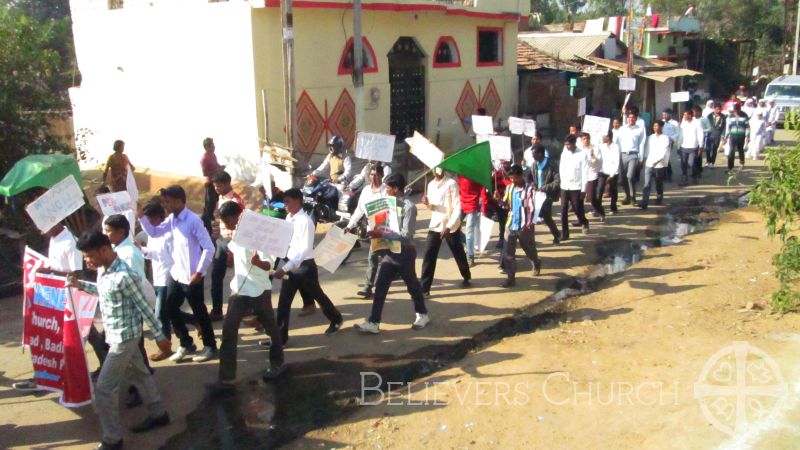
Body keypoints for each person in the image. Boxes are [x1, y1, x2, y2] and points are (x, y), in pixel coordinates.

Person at [69, 230, 172, 450]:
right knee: (141, 374)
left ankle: (112, 439)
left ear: (104, 250)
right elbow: (105, 292)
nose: (87, 260)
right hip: (119, 334)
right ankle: (159, 413)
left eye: (90, 256)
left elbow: (143, 306)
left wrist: (160, 336)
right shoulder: (106, 271)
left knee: (104, 389)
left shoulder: (125, 275)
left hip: (124, 337)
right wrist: (81, 285)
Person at [207, 201, 284, 391]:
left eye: (227, 221)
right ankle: (227, 377)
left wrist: (258, 262)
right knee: (229, 329)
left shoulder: (258, 234)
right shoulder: (237, 232)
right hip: (239, 289)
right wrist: (217, 240)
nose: (226, 225)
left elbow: (270, 266)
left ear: (236, 216)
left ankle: (277, 364)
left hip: (259, 289)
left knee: (271, 328)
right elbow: (233, 250)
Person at [139, 185, 217, 363]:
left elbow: (209, 248)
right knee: (169, 308)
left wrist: (199, 271)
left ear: (179, 201)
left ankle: (210, 346)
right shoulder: (172, 219)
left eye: (167, 201)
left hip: (192, 275)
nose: (165, 205)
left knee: (200, 312)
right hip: (175, 274)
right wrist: (141, 217)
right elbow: (154, 231)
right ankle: (186, 343)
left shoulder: (193, 221)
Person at [13, 223, 84, 391]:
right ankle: (44, 377)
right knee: (52, 338)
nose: (39, 229)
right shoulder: (54, 239)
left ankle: (103, 367)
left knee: (80, 336)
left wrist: (51, 274)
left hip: (69, 298)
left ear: (55, 222)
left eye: (42, 224)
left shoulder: (70, 242)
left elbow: (78, 273)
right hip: (54, 297)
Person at [355, 174, 429, 334]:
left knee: (412, 286)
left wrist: (381, 234)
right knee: (381, 286)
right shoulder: (387, 204)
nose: (385, 190)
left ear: (396, 189)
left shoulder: (409, 207)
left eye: (388, 187)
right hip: (390, 252)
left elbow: (406, 235)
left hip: (405, 253)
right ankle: (374, 322)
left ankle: (422, 314)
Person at [275, 188, 343, 344]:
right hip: (292, 265)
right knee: (284, 303)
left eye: (288, 202)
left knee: (317, 295)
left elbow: (304, 250)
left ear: (298, 200)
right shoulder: (288, 218)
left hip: (304, 267)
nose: (285, 205)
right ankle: (280, 338)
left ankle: (336, 318)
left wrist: (284, 268)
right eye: (284, 202)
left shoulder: (306, 222)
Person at [141, 201, 194, 351]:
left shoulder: (168, 233)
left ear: (158, 217)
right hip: (157, 277)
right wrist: (142, 250)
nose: (148, 223)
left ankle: (165, 346)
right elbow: (153, 253)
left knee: (160, 315)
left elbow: (173, 255)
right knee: (169, 311)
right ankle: (192, 325)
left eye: (149, 219)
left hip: (168, 277)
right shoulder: (152, 234)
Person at [420, 167, 471, 297]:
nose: (438, 171)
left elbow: (457, 206)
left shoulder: (451, 184)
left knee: (457, 250)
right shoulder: (431, 185)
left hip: (450, 224)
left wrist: (448, 226)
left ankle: (466, 275)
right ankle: (425, 287)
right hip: (436, 224)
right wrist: (427, 203)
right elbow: (433, 207)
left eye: (440, 169)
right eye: (436, 169)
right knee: (429, 254)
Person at [345, 164, 387, 299]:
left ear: (381, 175)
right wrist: (350, 225)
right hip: (372, 230)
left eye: (376, 174)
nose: (373, 177)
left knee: (384, 258)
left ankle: (369, 286)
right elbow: (360, 209)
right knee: (374, 258)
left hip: (385, 229)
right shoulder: (366, 191)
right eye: (371, 174)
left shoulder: (386, 191)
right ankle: (369, 287)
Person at [209, 170, 245, 321]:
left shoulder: (236, 201)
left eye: (219, 185)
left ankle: (244, 309)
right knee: (216, 275)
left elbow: (240, 225)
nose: (217, 188)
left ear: (227, 184)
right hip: (221, 240)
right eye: (215, 185)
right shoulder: (221, 197)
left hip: (233, 241)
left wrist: (232, 250)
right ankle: (217, 310)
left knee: (240, 276)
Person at [499, 165, 540, 288]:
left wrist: (528, 224)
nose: (513, 181)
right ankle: (511, 278)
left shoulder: (529, 190)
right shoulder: (510, 188)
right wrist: (499, 200)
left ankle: (536, 262)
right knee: (508, 252)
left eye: (514, 178)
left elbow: (532, 208)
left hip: (525, 226)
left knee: (529, 249)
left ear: (520, 176)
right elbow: (506, 206)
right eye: (511, 178)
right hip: (511, 224)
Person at [529, 144, 561, 244]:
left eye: (533, 154)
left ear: (540, 154)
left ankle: (556, 235)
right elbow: (529, 178)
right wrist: (532, 184)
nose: (532, 156)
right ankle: (530, 240)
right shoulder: (534, 164)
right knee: (531, 216)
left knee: (547, 217)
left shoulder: (552, 165)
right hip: (536, 195)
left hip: (548, 195)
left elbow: (557, 181)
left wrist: (544, 188)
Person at [559, 135, 588, 240]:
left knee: (577, 208)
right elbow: (561, 168)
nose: (567, 146)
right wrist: (562, 183)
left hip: (576, 186)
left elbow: (585, 172)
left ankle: (584, 221)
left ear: (574, 143)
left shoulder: (582, 154)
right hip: (565, 186)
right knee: (563, 210)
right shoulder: (564, 154)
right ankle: (565, 233)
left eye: (569, 144)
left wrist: (584, 189)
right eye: (566, 144)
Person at [616, 111, 646, 206]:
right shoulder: (622, 129)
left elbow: (642, 143)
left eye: (633, 117)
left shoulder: (640, 129)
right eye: (629, 117)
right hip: (622, 154)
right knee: (623, 178)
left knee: (630, 176)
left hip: (633, 155)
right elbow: (617, 142)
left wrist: (641, 158)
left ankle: (633, 196)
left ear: (636, 119)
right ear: (627, 118)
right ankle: (627, 196)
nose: (631, 119)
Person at [641, 120, 671, 209]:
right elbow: (647, 150)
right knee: (647, 184)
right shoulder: (650, 137)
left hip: (659, 165)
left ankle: (659, 196)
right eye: (654, 126)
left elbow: (664, 151)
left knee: (658, 182)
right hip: (649, 164)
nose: (655, 128)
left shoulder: (665, 138)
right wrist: (644, 160)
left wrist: (657, 161)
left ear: (661, 127)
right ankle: (644, 202)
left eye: (657, 126)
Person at [458, 175, 486, 266]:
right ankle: (468, 242)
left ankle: (470, 256)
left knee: (469, 232)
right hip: (461, 205)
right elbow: (458, 190)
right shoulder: (459, 175)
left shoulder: (476, 175)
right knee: (453, 228)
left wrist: (483, 210)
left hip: (473, 206)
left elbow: (483, 191)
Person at [200, 137, 224, 235]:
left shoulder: (213, 155)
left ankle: (208, 220)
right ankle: (206, 224)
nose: (214, 146)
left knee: (215, 203)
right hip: (209, 184)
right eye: (212, 145)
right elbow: (205, 173)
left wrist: (220, 167)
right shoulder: (204, 159)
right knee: (210, 205)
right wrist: (216, 171)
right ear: (207, 146)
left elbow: (216, 165)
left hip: (216, 182)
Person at [581, 133, 604, 221]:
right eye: (584, 139)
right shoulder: (579, 149)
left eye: (587, 138)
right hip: (582, 175)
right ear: (581, 140)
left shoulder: (595, 148)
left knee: (591, 197)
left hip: (592, 174)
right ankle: (581, 218)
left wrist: (592, 155)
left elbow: (599, 163)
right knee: (580, 197)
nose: (586, 140)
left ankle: (600, 211)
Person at [490, 160, 512, 249]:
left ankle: (510, 239)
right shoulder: (497, 175)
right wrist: (493, 193)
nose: (504, 165)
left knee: (509, 222)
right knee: (502, 222)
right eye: (503, 163)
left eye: (506, 163)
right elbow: (491, 187)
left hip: (511, 204)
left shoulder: (513, 174)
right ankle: (502, 239)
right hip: (499, 203)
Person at [677, 110, 704, 185]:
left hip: (693, 146)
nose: (684, 116)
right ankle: (684, 178)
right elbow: (680, 136)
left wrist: (701, 146)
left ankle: (695, 176)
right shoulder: (683, 124)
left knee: (692, 163)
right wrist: (678, 146)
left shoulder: (697, 123)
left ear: (690, 115)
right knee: (683, 163)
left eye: (685, 115)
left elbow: (700, 134)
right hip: (684, 146)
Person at [597, 132, 620, 215]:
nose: (603, 138)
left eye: (604, 136)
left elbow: (616, 161)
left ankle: (613, 208)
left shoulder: (615, 147)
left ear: (609, 137)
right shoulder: (601, 146)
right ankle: (598, 209)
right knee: (599, 190)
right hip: (602, 170)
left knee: (613, 190)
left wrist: (612, 174)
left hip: (612, 171)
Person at [724, 104, 750, 172]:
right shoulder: (731, 116)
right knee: (731, 151)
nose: (736, 112)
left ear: (739, 109)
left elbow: (747, 127)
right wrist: (726, 136)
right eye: (735, 110)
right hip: (732, 136)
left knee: (740, 150)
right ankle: (730, 167)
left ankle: (741, 162)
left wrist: (747, 136)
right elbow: (729, 127)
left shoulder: (744, 115)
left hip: (741, 136)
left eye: (737, 110)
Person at [706, 103, 726, 167]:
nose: (719, 111)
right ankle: (708, 160)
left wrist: (723, 136)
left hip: (717, 134)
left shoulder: (723, 117)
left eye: (720, 109)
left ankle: (712, 162)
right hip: (709, 134)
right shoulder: (709, 116)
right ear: (714, 109)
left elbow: (724, 127)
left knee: (714, 149)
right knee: (708, 148)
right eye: (717, 109)